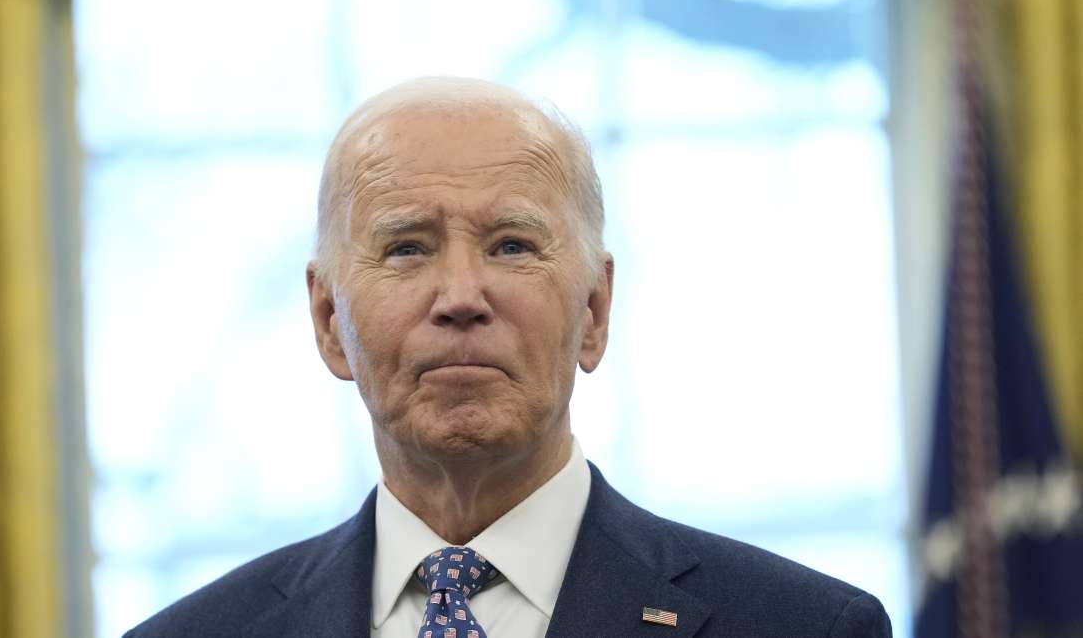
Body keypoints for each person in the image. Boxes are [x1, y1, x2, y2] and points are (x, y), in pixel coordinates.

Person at [125, 77, 892, 637]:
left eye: (512, 246)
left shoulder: (808, 627)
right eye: (406, 248)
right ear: (330, 321)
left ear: (594, 310)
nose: (461, 294)